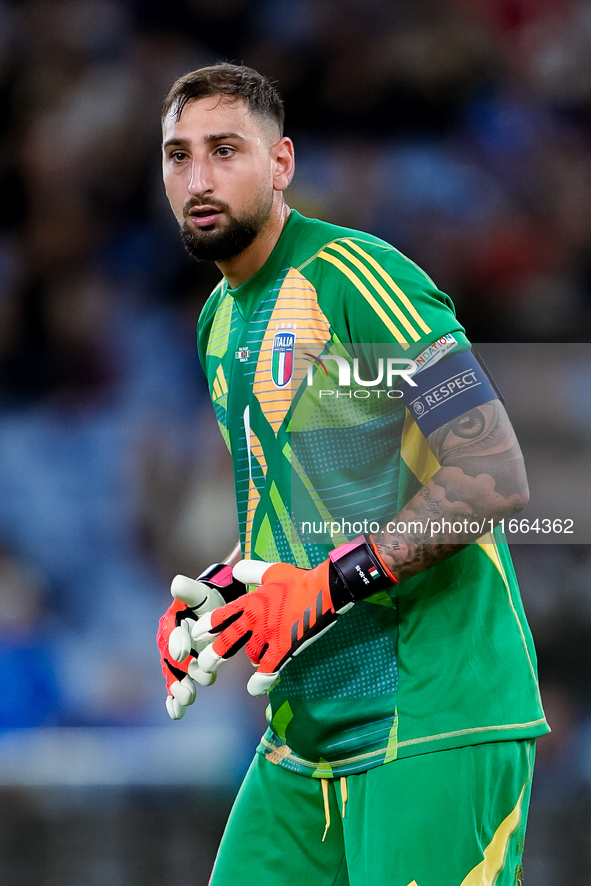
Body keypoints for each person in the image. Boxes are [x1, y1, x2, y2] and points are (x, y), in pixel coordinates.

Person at [158, 62, 548, 886]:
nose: (198, 177)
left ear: (281, 163)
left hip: (431, 721)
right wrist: (223, 597)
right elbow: (295, 515)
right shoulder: (217, 322)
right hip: (304, 741)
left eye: (225, 150)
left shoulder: (357, 277)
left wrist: (328, 585)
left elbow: (494, 471)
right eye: (178, 155)